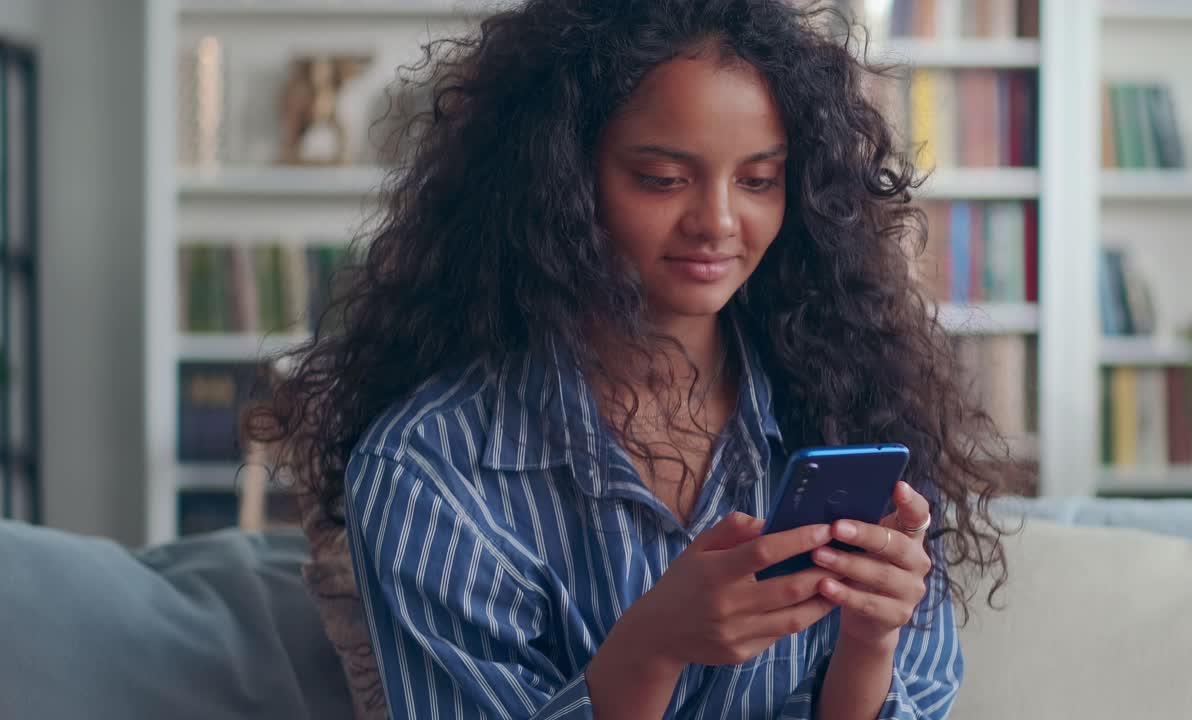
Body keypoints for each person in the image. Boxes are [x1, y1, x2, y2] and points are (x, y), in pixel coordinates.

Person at [250, 0, 1017, 717]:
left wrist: (870, 641)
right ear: (560, 182)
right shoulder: (431, 471)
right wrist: (651, 649)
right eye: (662, 179)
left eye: (759, 180)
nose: (718, 222)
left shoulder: (857, 406)